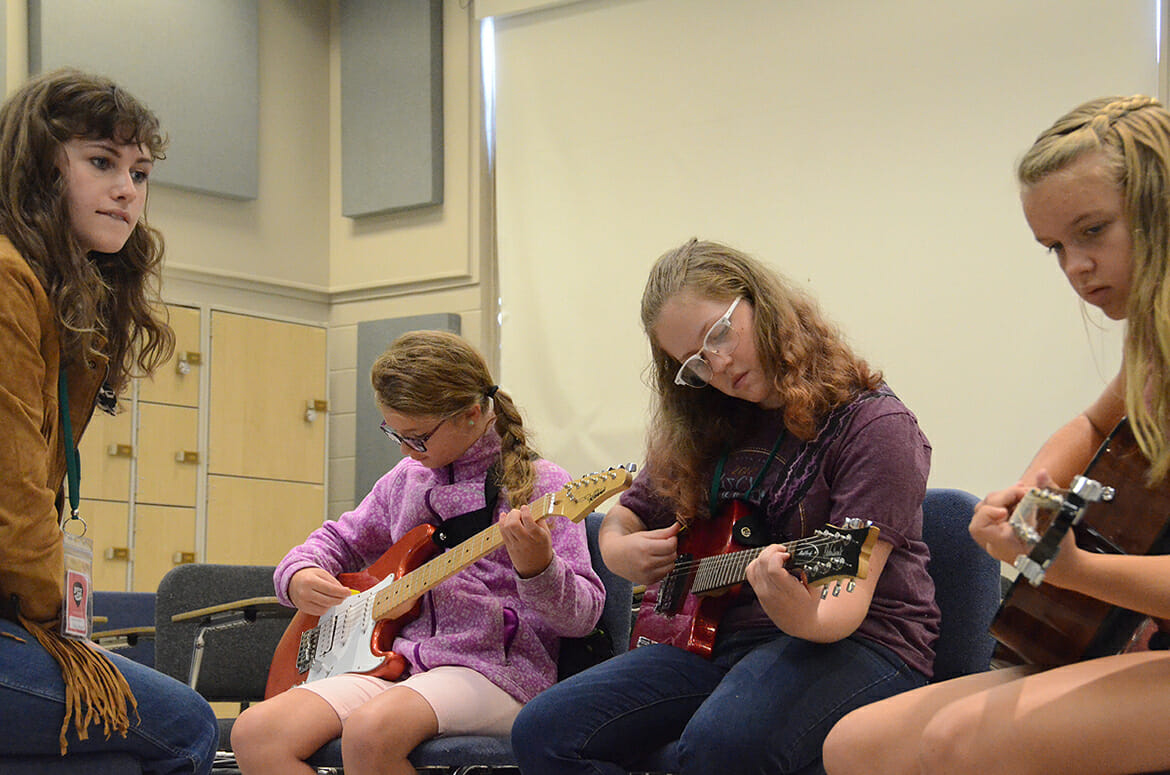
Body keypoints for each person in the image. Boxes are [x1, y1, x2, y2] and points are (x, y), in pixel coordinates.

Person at [822, 95, 1170, 775]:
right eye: (1056, 249)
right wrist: (1033, 487)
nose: (1076, 267)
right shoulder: (1153, 353)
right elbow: (1095, 423)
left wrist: (1080, 570)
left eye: (1093, 230)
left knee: (961, 742)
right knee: (857, 746)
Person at [511, 239, 939, 775]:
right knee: (544, 732)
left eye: (719, 334)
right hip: (715, 640)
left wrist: (792, 607)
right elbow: (628, 514)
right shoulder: (708, 425)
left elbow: (835, 613)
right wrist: (619, 550)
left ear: (761, 303)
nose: (716, 364)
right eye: (692, 363)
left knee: (721, 749)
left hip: (861, 642)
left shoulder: (874, 428)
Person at [231, 330, 605, 775]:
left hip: (497, 673)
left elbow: (582, 617)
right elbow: (338, 540)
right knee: (255, 733)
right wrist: (298, 572)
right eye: (395, 434)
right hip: (397, 662)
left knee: (371, 732)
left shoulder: (541, 485)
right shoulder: (405, 480)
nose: (407, 450)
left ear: (470, 415)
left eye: (418, 437)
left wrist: (539, 570)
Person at [0, 69, 219, 771]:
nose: (128, 189)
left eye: (140, 171)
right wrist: (56, 628)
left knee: (106, 752)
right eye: (101, 162)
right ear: (37, 167)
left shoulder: (54, 285)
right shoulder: (7, 279)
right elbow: (12, 491)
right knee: (185, 724)